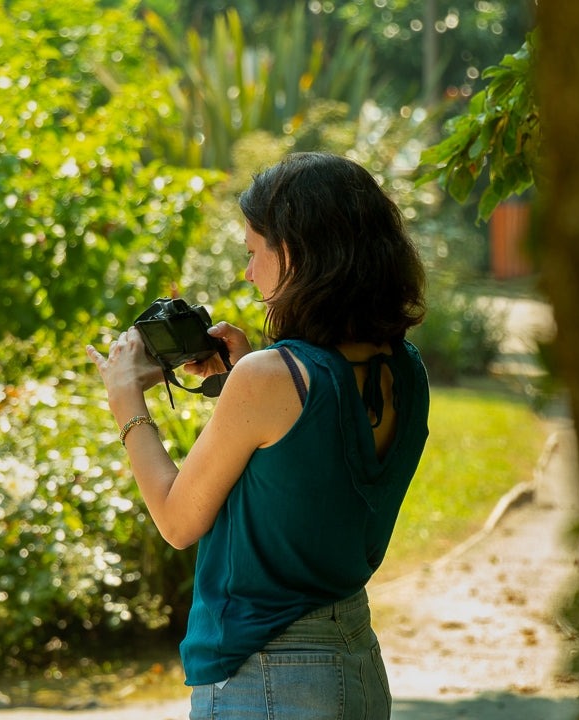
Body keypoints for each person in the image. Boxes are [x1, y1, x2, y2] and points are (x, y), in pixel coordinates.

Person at [85, 151, 430, 719]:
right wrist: (247, 372)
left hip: (267, 675)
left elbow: (177, 521)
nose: (248, 272)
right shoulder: (407, 369)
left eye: (253, 251)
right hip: (356, 665)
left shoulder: (272, 378)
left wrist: (125, 397)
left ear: (292, 252)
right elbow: (316, 469)